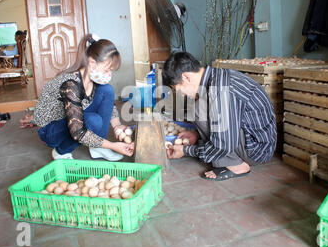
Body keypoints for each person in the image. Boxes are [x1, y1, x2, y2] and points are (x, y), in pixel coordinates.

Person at [162, 52, 277, 181]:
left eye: (177, 88)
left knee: (198, 110)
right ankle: (225, 156)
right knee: (198, 107)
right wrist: (197, 134)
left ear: (186, 77)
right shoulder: (215, 76)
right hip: (250, 136)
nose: (181, 94)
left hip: (257, 150)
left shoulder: (219, 89)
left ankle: (236, 165)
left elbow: (223, 144)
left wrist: (187, 150)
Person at [33, 34, 134, 160]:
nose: (109, 75)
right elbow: (77, 131)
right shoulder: (70, 84)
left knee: (107, 90)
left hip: (71, 118)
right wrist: (112, 146)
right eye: (107, 70)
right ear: (92, 63)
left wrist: (117, 126)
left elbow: (108, 105)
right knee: (93, 121)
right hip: (50, 130)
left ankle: (97, 147)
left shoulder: (93, 78)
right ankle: (61, 152)